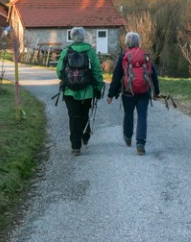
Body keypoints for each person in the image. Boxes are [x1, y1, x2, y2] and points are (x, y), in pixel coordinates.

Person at [106, 31, 160, 155]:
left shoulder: (124, 55)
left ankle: (128, 136)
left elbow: (116, 75)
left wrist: (110, 94)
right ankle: (140, 143)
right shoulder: (145, 55)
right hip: (144, 92)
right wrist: (156, 92)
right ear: (138, 42)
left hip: (128, 91)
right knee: (142, 117)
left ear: (126, 42)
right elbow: (153, 74)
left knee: (128, 114)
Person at [56, 27, 104, 156]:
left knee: (73, 117)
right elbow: (97, 71)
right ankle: (85, 135)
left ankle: (75, 147)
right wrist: (99, 87)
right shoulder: (90, 51)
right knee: (84, 114)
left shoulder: (66, 51)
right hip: (87, 91)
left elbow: (59, 71)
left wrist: (65, 80)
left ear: (72, 37)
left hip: (69, 92)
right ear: (84, 37)